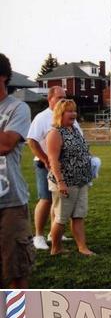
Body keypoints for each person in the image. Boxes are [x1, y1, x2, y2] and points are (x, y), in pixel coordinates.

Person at [26, 85, 81, 250]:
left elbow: (77, 136)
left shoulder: (67, 115)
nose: (63, 101)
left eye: (64, 97)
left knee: (58, 200)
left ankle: (54, 233)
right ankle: (38, 236)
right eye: (59, 98)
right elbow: (31, 140)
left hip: (65, 167)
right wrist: (45, 160)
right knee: (46, 199)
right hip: (45, 165)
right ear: (50, 99)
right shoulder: (42, 118)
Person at [0, 53, 34, 288]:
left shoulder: (17, 108)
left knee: (16, 272)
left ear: (2, 77)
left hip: (9, 204)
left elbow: (5, 145)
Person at [45, 99, 95, 255]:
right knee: (61, 218)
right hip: (65, 183)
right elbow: (53, 160)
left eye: (74, 110)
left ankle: (82, 247)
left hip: (81, 181)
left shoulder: (74, 129)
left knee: (79, 215)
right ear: (60, 113)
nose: (74, 114)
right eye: (69, 111)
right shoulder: (55, 133)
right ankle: (56, 248)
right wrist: (61, 182)